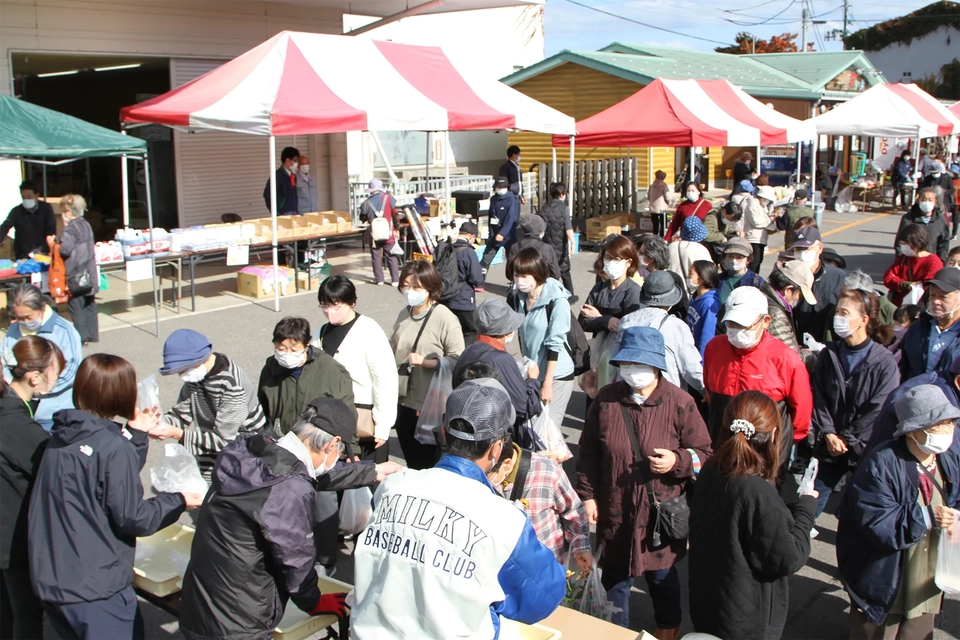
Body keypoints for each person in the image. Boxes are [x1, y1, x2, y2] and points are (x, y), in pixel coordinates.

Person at [348, 379, 565, 638]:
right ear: (497, 448)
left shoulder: (391, 488)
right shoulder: (504, 520)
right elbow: (544, 596)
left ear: (443, 430)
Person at [179, 398, 401, 640]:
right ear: (333, 443)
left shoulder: (251, 449)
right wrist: (313, 601)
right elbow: (295, 557)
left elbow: (307, 473)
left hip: (200, 597)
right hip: (238, 619)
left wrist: (372, 471)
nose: (338, 458)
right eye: (339, 452)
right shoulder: (289, 489)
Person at [28, 354, 202, 640]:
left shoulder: (62, 435)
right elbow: (134, 518)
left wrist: (134, 434)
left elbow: (103, 476)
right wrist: (179, 500)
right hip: (94, 588)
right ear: (121, 394)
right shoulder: (111, 448)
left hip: (53, 578)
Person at [577, 326, 712, 636]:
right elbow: (588, 452)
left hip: (659, 517)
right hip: (616, 512)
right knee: (614, 584)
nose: (632, 371)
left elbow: (706, 454)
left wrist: (677, 461)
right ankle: (616, 633)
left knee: (663, 580)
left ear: (656, 366)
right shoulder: (607, 400)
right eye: (627, 364)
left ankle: (668, 630)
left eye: (639, 364)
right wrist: (587, 497)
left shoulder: (679, 403)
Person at [689, 390, 817, 640]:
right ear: (773, 435)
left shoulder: (711, 470)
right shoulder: (757, 492)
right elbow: (788, 557)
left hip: (708, 602)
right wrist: (806, 509)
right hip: (747, 620)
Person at [837, 385, 960, 638]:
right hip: (885, 575)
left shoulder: (947, 459)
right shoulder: (881, 463)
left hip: (925, 575)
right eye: (940, 424)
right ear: (914, 430)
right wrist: (926, 517)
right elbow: (877, 522)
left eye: (951, 422)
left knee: (917, 631)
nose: (949, 430)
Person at [811, 288, 900, 517]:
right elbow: (819, 397)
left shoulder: (884, 362)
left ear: (863, 320)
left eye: (844, 312)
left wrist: (846, 439)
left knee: (857, 512)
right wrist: (829, 434)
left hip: (865, 449)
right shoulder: (828, 355)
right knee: (811, 504)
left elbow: (877, 409)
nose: (837, 317)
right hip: (830, 445)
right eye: (837, 311)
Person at [0, 336, 63, 640]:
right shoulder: (18, 425)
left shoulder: (9, 407)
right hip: (13, 538)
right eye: (56, 373)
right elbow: (57, 471)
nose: (58, 380)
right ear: (35, 376)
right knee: (25, 615)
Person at [703, 286, 812, 460]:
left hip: (765, 454)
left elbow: (801, 411)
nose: (737, 330)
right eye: (732, 323)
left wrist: (782, 446)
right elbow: (710, 392)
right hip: (722, 447)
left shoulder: (785, 358)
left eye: (744, 325)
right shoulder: (714, 348)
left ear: (766, 321)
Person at [151, 328, 267, 480]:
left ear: (198, 361)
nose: (181, 375)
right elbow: (181, 414)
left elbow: (224, 440)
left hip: (243, 456)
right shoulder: (196, 377)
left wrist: (176, 433)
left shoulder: (232, 385)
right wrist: (159, 423)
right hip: (210, 449)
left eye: (183, 370)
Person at [313, 275, 398, 463]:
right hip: (330, 420)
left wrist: (383, 424)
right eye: (324, 305)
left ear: (352, 303)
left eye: (336, 305)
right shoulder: (320, 332)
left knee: (367, 481)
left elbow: (385, 379)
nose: (329, 311)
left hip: (364, 419)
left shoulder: (368, 330)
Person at [391, 259, 464, 469]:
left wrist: (426, 362)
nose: (410, 291)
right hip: (402, 399)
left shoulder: (445, 318)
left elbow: (458, 358)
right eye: (405, 286)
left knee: (429, 461)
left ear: (430, 288)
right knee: (411, 458)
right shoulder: (405, 313)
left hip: (429, 405)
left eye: (416, 287)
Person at [489, 432, 592, 567]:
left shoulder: (547, 471)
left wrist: (581, 548)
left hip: (545, 568)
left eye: (488, 476)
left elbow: (573, 511)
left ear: (507, 465)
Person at [509, 248, 574, 431]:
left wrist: (547, 383)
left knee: (547, 433)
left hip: (556, 374)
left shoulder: (557, 302)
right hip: (533, 372)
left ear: (537, 274)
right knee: (530, 429)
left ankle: (552, 462)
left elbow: (556, 344)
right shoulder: (519, 298)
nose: (519, 281)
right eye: (516, 275)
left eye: (525, 276)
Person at [2, 283, 81, 430]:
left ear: (42, 308)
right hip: (21, 410)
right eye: (19, 318)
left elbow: (71, 371)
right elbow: (5, 361)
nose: (24, 322)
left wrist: (36, 389)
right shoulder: (13, 330)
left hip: (53, 414)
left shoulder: (63, 331)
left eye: (28, 317)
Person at [258, 316, 356, 436]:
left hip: (317, 443)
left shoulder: (330, 369)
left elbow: (346, 413)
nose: (287, 355)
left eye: (293, 350)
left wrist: (351, 450)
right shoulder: (271, 369)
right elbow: (261, 409)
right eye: (281, 349)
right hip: (281, 442)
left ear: (306, 344)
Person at [452, 298, 542, 429]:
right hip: (494, 432)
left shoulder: (470, 349)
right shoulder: (500, 359)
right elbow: (524, 408)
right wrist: (532, 380)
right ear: (506, 331)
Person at [620, 271, 704, 395]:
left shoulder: (626, 321)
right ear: (671, 300)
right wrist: (705, 390)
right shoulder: (676, 326)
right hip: (665, 396)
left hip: (627, 391)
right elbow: (690, 368)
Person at [579, 234, 643, 391]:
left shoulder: (633, 291)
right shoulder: (599, 288)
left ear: (629, 262)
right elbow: (582, 321)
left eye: (616, 259)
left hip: (618, 359)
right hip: (597, 355)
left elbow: (630, 328)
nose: (610, 263)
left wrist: (600, 318)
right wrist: (606, 321)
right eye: (608, 258)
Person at [899, 267, 960, 381]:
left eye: (943, 297)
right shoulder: (919, 327)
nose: (936, 301)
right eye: (932, 295)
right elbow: (905, 368)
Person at [790, 226, 847, 343]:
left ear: (820, 248)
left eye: (806, 249)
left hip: (828, 343)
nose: (801, 254)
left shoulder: (837, 277)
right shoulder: (787, 276)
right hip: (796, 343)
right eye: (798, 249)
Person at [56, 194, 99, 345]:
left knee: (75, 305)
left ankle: (82, 336)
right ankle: (93, 334)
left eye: (63, 210)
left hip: (76, 273)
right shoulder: (86, 224)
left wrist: (54, 244)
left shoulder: (70, 229)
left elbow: (65, 250)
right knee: (89, 303)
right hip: (90, 271)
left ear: (68, 211)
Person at [758, 261, 817, 361]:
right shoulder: (775, 313)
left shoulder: (761, 294)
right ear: (788, 290)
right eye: (800, 295)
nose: (799, 300)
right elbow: (789, 357)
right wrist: (815, 355)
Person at [442, 221, 483, 344]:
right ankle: (464, 359)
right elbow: (477, 278)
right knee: (470, 331)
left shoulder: (447, 248)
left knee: (449, 330)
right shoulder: (468, 252)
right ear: (471, 236)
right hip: (463, 300)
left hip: (444, 297)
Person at [883, 223, 943, 306]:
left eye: (905, 243)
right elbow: (888, 277)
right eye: (901, 243)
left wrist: (898, 281)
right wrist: (906, 284)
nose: (903, 246)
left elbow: (928, 287)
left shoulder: (933, 262)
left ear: (916, 242)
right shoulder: (903, 258)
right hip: (898, 306)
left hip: (919, 308)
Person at [636, 233, 689, 319]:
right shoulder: (639, 275)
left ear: (651, 257)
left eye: (641, 253)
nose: (639, 256)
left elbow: (682, 308)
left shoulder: (674, 279)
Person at [537, 182, 576, 296]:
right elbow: (568, 228)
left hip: (546, 246)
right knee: (565, 272)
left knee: (548, 272)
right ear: (562, 194)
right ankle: (570, 295)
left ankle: (547, 294)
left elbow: (540, 228)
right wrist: (573, 243)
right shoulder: (564, 208)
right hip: (560, 247)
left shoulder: (544, 208)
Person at [0, 181, 56, 259]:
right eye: (23, 197)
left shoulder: (46, 209)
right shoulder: (16, 211)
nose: (26, 200)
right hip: (22, 255)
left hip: (43, 253)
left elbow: (51, 230)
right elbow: (5, 226)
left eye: (29, 197)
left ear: (37, 195)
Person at [360, 178, 400, 286]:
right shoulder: (389, 198)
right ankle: (395, 280)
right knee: (391, 256)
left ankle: (379, 280)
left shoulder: (366, 203)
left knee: (376, 257)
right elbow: (395, 215)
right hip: (388, 233)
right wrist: (396, 228)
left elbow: (362, 218)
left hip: (374, 234)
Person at [895, 187, 950, 264]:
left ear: (935, 202)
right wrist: (901, 262)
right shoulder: (908, 218)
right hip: (911, 262)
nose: (927, 202)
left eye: (930, 200)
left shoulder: (940, 220)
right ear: (918, 200)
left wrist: (941, 263)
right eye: (923, 199)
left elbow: (944, 244)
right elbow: (899, 243)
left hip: (931, 262)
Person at [481, 176, 520, 275]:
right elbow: (491, 216)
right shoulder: (494, 199)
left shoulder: (512, 199)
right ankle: (479, 280)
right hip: (494, 233)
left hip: (508, 235)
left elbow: (511, 217)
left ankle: (514, 283)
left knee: (512, 260)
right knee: (486, 258)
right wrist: (490, 232)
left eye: (502, 187)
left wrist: (502, 233)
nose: (500, 189)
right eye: (498, 186)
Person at [505, 214, 561, 282]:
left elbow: (508, 273)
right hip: (541, 286)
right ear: (542, 232)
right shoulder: (546, 248)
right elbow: (556, 274)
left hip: (520, 286)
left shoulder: (515, 247)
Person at [686, 260, 720, 361]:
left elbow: (707, 335)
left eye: (691, 273)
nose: (687, 277)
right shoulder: (695, 296)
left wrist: (701, 363)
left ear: (701, 278)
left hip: (699, 358)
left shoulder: (709, 303)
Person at [716, 237, 765, 307]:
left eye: (739, 257)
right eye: (730, 256)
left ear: (748, 260)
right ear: (724, 257)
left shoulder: (756, 282)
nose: (734, 260)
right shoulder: (717, 280)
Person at [742, 185, 776, 274]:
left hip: (760, 238)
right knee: (754, 261)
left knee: (759, 260)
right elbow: (756, 221)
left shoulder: (762, 206)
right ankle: (749, 279)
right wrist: (770, 222)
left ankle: (754, 279)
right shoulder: (752, 204)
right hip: (753, 237)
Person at [667, 215, 712, 283]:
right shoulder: (701, 250)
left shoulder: (671, 246)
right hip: (692, 289)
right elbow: (708, 273)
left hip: (671, 287)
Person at [922, 161, 958, 238]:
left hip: (943, 201)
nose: (934, 174)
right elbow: (923, 189)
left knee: (943, 217)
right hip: (932, 201)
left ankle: (944, 232)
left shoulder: (946, 177)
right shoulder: (928, 178)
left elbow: (951, 189)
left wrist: (944, 192)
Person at [262, 145, 300, 215]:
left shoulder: (292, 175)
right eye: (295, 160)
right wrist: (277, 212)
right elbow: (268, 194)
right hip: (283, 213)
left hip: (294, 211)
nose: (296, 163)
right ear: (287, 160)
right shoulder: (277, 176)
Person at [647, 170, 674, 237]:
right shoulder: (664, 185)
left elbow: (648, 196)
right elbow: (668, 196)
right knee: (663, 224)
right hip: (662, 209)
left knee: (655, 225)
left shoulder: (651, 185)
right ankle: (662, 237)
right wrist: (669, 202)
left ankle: (655, 237)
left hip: (653, 208)